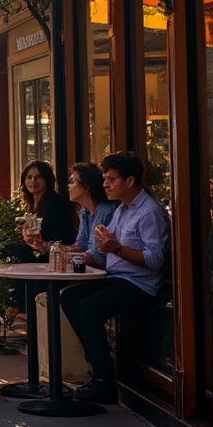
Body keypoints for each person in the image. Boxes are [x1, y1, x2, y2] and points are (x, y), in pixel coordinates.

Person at [60, 151, 169, 404]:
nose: (105, 184)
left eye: (111, 179)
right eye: (105, 178)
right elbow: (104, 248)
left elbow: (155, 260)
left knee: (89, 308)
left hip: (139, 283)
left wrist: (116, 248)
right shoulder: (122, 209)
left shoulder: (149, 212)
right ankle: (100, 361)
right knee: (70, 298)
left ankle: (103, 380)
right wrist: (103, 242)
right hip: (117, 276)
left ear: (129, 181)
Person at [12, 160, 73, 263]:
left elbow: (48, 235)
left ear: (47, 179)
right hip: (37, 250)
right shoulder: (32, 203)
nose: (33, 181)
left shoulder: (54, 202)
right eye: (29, 177)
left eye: (38, 177)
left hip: (53, 254)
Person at [64, 161, 118, 257]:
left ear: (86, 187)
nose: (68, 186)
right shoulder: (84, 212)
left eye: (72, 182)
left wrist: (66, 259)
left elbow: (98, 255)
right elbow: (81, 245)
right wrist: (49, 247)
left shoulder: (105, 211)